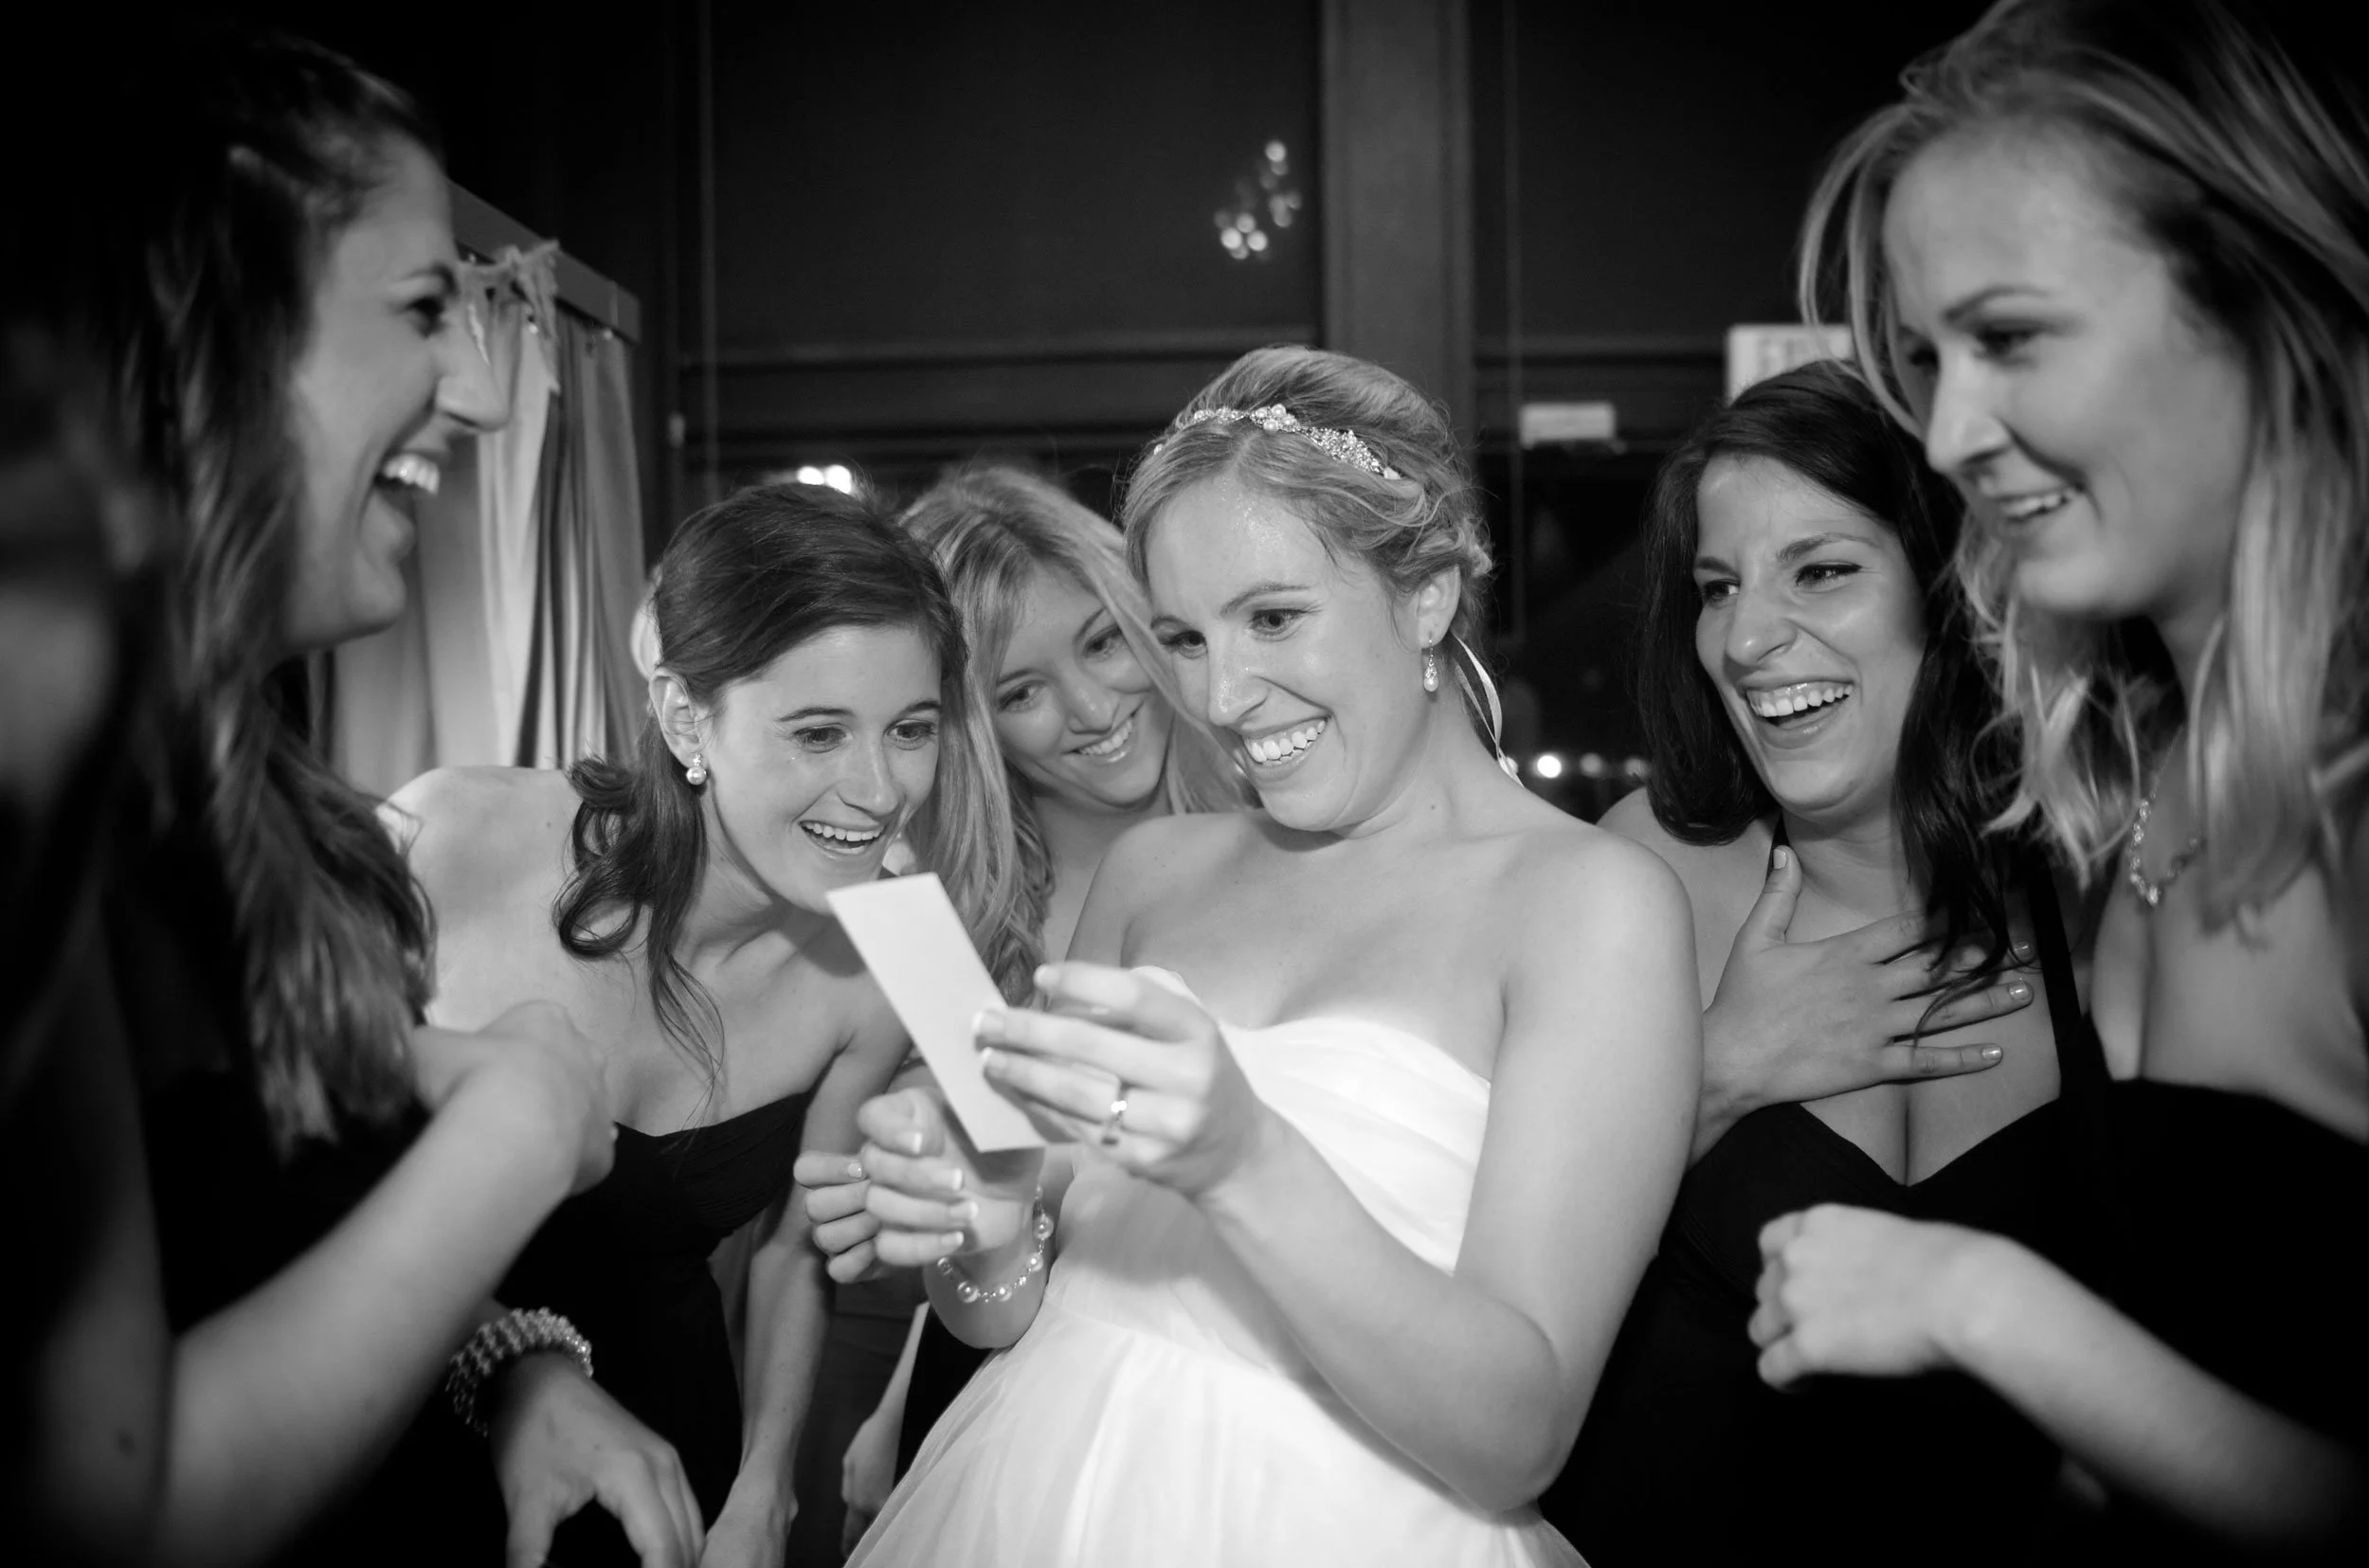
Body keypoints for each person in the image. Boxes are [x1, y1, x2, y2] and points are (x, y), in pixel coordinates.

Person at [818, 347, 1701, 1566]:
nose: (1223, 695)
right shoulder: (1153, 873)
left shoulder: (1591, 907)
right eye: (1181, 636)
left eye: (1273, 617)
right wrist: (982, 1216)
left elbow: (1517, 1434)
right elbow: (1006, 1309)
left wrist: (1243, 1156)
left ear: (1429, 590)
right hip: (1027, 1499)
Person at [4, 24, 626, 1565]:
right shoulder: (43, 805)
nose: (473, 399)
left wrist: (517, 1363)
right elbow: (117, 1511)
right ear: (214, 326)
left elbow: (267, 1223)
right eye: (423, 309)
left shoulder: (236, 800)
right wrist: (526, 1122)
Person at [1753, 0, 2365, 1555]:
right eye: (1923, 358)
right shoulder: (2128, 778)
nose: (1952, 430)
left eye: (2010, 337)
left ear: (2254, 299)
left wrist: (1979, 1301)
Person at [389, 481, 1035, 1565]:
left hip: (665, 1439)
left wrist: (763, 1484)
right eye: (819, 731)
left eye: (911, 729)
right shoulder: (450, 836)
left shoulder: (894, 953)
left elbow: (795, 1243)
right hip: (395, 1391)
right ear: (687, 716)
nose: (878, 789)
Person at [1543, 360, 2089, 1563]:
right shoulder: (1644, 875)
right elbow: (1492, 1290)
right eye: (1717, 585)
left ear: (1956, 589)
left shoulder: (2099, 898)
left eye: (1822, 569)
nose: (1744, 637)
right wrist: (1720, 1070)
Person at [793, 462, 1239, 1558]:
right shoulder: (946, 938)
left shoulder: (1287, 832)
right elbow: (998, 1222)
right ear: (976, 727)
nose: (1091, 711)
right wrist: (907, 1384)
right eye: (1021, 690)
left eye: (1101, 643)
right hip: (1019, 1399)